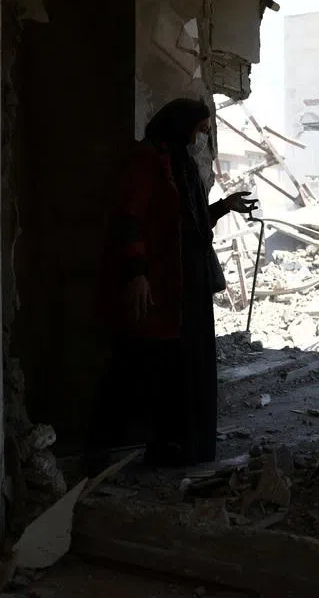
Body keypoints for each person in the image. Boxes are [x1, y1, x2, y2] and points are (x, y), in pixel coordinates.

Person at [91, 97, 257, 469]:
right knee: (151, 364)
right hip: (164, 282)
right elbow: (128, 219)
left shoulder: (180, 163)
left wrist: (224, 206)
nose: (202, 137)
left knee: (187, 364)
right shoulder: (146, 162)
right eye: (199, 129)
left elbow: (187, 225)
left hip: (188, 282)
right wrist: (137, 273)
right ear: (180, 125)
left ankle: (184, 446)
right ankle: (132, 448)